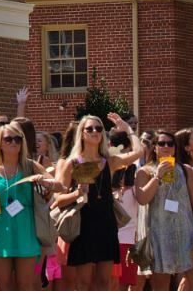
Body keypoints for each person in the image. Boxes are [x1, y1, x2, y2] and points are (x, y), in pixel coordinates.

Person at [54, 113, 143, 290]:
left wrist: (127, 129)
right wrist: (77, 193)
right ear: (82, 133)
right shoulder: (72, 163)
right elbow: (58, 200)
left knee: (104, 282)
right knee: (84, 282)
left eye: (99, 128)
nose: (95, 131)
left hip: (106, 222)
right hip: (84, 224)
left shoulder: (109, 160)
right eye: (90, 129)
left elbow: (139, 152)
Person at [0, 122, 60, 291]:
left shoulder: (31, 166)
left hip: (26, 232)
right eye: (8, 139)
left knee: (26, 286)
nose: (14, 142)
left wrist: (45, 182)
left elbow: (60, 186)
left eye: (18, 139)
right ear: (0, 143)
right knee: (1, 286)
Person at [135, 129, 193, 290]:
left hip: (186, 233)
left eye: (170, 144)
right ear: (155, 147)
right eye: (161, 143)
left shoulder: (185, 170)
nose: (166, 147)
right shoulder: (145, 171)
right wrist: (157, 177)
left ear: (175, 148)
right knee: (161, 284)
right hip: (158, 235)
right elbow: (142, 199)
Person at [109, 129, 140, 291]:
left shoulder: (136, 173)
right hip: (109, 238)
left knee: (122, 285)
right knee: (110, 284)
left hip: (128, 238)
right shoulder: (104, 169)